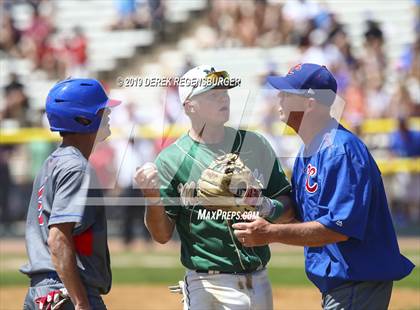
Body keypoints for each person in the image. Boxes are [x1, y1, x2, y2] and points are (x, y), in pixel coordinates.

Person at [232, 63, 415, 310]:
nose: (279, 98)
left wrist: (270, 234)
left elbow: (338, 228)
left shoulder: (340, 150)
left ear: (310, 103)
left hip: (356, 281)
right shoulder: (309, 150)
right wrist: (262, 205)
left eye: (288, 93)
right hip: (345, 284)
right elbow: (295, 211)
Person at [135, 65, 295, 310]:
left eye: (225, 92)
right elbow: (162, 235)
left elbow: (289, 209)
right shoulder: (171, 160)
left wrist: (265, 207)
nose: (223, 98)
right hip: (206, 284)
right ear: (190, 106)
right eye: (212, 94)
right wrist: (152, 197)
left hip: (259, 279)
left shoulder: (256, 144)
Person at [20, 78, 121, 310]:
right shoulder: (77, 167)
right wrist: (81, 302)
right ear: (83, 119)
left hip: (43, 292)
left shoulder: (53, 162)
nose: (108, 114)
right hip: (66, 291)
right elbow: (57, 238)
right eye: (102, 110)